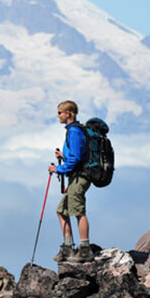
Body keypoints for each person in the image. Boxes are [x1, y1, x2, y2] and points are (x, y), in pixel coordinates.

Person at [48, 100, 93, 263]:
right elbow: (74, 156)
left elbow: (75, 159)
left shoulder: (74, 131)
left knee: (78, 211)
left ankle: (85, 249)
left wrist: (57, 169)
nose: (58, 115)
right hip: (78, 175)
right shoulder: (74, 130)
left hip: (80, 176)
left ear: (69, 114)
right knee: (62, 211)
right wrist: (63, 157)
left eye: (60, 112)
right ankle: (67, 248)